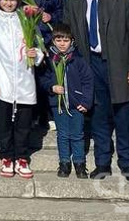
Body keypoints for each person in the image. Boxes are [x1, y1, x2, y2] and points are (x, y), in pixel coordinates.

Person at [62, 0, 129, 181]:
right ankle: (102, 164)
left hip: (119, 64)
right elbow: (67, 36)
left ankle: (127, 165)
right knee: (98, 118)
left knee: (124, 118)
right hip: (90, 65)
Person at [0, 0, 44, 179]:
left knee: (24, 123)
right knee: (3, 123)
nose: (9, 3)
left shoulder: (26, 21)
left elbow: (38, 46)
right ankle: (7, 156)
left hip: (24, 80)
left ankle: (22, 157)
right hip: (3, 81)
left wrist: (37, 54)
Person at [38, 23, 92, 179]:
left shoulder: (78, 60)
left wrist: (86, 101)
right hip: (58, 104)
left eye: (66, 40)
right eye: (59, 40)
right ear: (53, 41)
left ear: (72, 41)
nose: (62, 43)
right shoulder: (49, 60)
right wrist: (52, 87)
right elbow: (43, 79)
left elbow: (88, 81)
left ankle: (80, 163)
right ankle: (64, 163)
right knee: (63, 134)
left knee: (77, 134)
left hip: (76, 104)